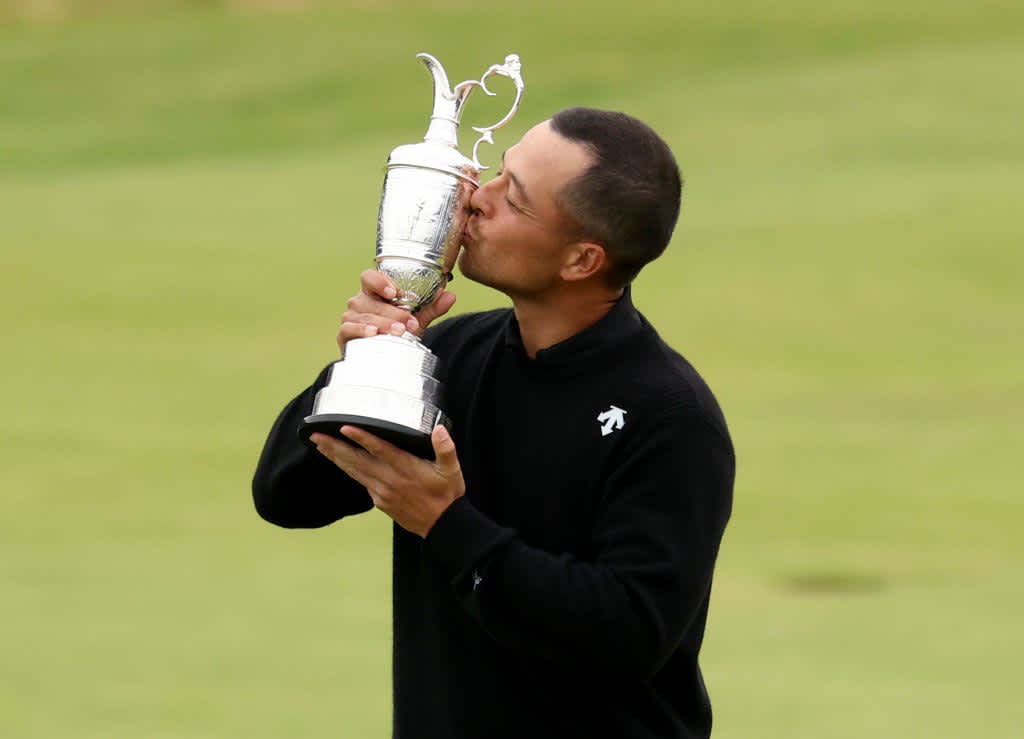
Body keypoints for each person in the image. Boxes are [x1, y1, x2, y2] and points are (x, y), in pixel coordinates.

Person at [252, 107, 734, 738]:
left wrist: (447, 525)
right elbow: (287, 496)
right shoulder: (453, 356)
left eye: (517, 198)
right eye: (500, 171)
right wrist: (365, 360)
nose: (478, 198)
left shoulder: (670, 417)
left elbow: (630, 634)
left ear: (582, 260)